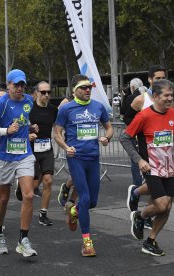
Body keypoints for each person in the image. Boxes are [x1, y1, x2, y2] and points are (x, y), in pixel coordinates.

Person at [120, 79, 174, 256]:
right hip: (150, 168)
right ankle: (140, 216)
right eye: (166, 95)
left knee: (167, 208)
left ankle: (150, 241)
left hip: (168, 168)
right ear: (156, 96)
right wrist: (139, 160)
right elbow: (125, 138)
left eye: (171, 95)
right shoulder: (144, 116)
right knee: (161, 204)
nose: (170, 98)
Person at [54, 74, 114, 257]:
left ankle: (74, 209)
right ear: (75, 90)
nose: (88, 90)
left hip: (93, 158)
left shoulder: (98, 107)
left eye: (89, 87)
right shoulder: (66, 109)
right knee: (86, 197)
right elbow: (57, 132)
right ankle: (87, 243)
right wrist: (66, 147)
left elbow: (109, 127)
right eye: (84, 87)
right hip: (76, 158)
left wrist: (107, 137)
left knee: (92, 202)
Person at [0, 69, 38, 257]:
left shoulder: (28, 100)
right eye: (15, 85)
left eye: (22, 85)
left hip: (24, 153)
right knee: (3, 198)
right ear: (8, 85)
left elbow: (25, 119)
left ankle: (23, 240)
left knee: (28, 195)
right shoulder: (1, 104)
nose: (19, 88)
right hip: (3, 155)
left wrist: (31, 126)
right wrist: (5, 131)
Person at [125, 66, 167, 229]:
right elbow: (127, 117)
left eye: (163, 78)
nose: (160, 81)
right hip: (146, 148)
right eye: (157, 78)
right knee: (157, 186)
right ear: (149, 80)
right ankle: (145, 214)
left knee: (159, 185)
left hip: (163, 149)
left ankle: (136, 193)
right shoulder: (141, 100)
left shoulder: (166, 98)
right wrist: (138, 131)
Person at [29, 81, 58, 226]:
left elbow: (57, 128)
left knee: (48, 180)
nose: (46, 95)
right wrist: (29, 130)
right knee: (31, 186)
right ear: (36, 93)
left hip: (46, 149)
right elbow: (20, 124)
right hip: (31, 150)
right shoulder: (29, 108)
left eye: (49, 92)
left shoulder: (53, 109)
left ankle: (43, 214)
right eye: (43, 92)